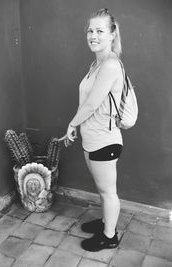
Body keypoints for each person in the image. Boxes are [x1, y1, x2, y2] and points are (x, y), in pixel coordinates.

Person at [63, 8, 124, 252]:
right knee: (102, 188)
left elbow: (90, 104)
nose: (93, 35)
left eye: (100, 30)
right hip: (92, 139)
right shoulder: (96, 63)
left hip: (105, 141)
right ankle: (105, 223)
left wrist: (72, 124)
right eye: (90, 30)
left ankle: (110, 236)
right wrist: (80, 126)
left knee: (108, 192)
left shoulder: (110, 65)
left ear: (112, 34)